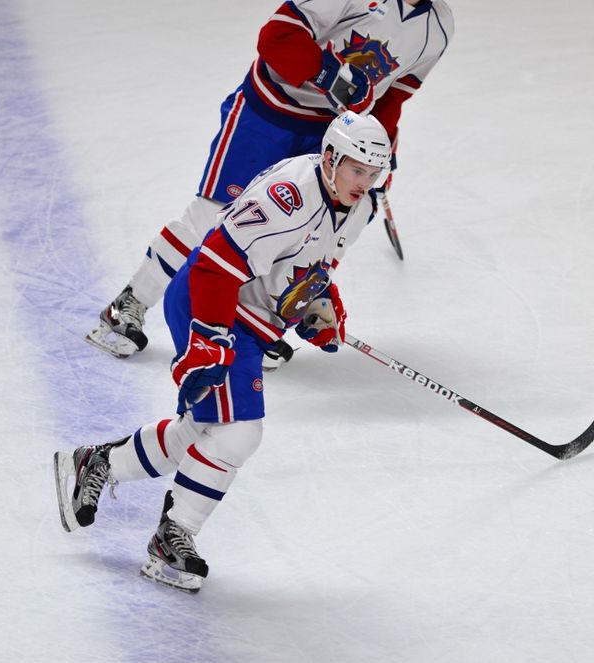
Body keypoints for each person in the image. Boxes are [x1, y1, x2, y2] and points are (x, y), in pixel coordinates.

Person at [55, 111, 391, 592]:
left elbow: (313, 267)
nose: (366, 181)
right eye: (358, 169)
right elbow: (214, 264)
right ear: (332, 157)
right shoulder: (289, 194)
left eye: (374, 173)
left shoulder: (358, 206)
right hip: (207, 301)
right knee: (238, 433)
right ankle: (173, 537)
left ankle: (101, 463)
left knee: (205, 428)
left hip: (248, 315)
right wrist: (208, 340)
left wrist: (317, 308)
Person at [86, 0, 454, 362]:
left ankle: (249, 322)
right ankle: (128, 305)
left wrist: (377, 148)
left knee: (310, 227)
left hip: (330, 134)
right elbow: (277, 37)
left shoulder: (437, 27)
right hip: (268, 115)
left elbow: (393, 96)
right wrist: (327, 74)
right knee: (215, 217)